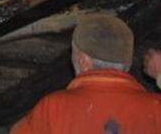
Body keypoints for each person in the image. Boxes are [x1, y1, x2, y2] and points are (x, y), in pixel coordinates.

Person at [12, 15, 161, 132]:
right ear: (127, 64)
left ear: (84, 60)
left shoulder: (53, 108)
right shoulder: (156, 108)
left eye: (73, 52)